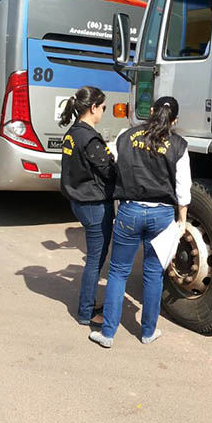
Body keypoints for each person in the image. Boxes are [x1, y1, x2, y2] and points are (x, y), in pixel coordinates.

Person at [89, 96, 191, 348]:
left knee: (118, 271)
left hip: (129, 211)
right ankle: (148, 332)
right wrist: (182, 221)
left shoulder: (127, 135)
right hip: (162, 215)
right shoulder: (178, 145)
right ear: (175, 120)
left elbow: (109, 157)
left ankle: (108, 333)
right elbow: (183, 188)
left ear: (152, 111)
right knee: (154, 274)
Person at [59, 86, 116, 327]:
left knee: (95, 257)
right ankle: (86, 312)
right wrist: (114, 155)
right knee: (95, 259)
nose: (104, 111)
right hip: (93, 204)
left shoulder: (72, 133)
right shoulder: (89, 138)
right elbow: (108, 171)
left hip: (78, 200)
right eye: (103, 107)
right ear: (93, 108)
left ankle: (88, 305)